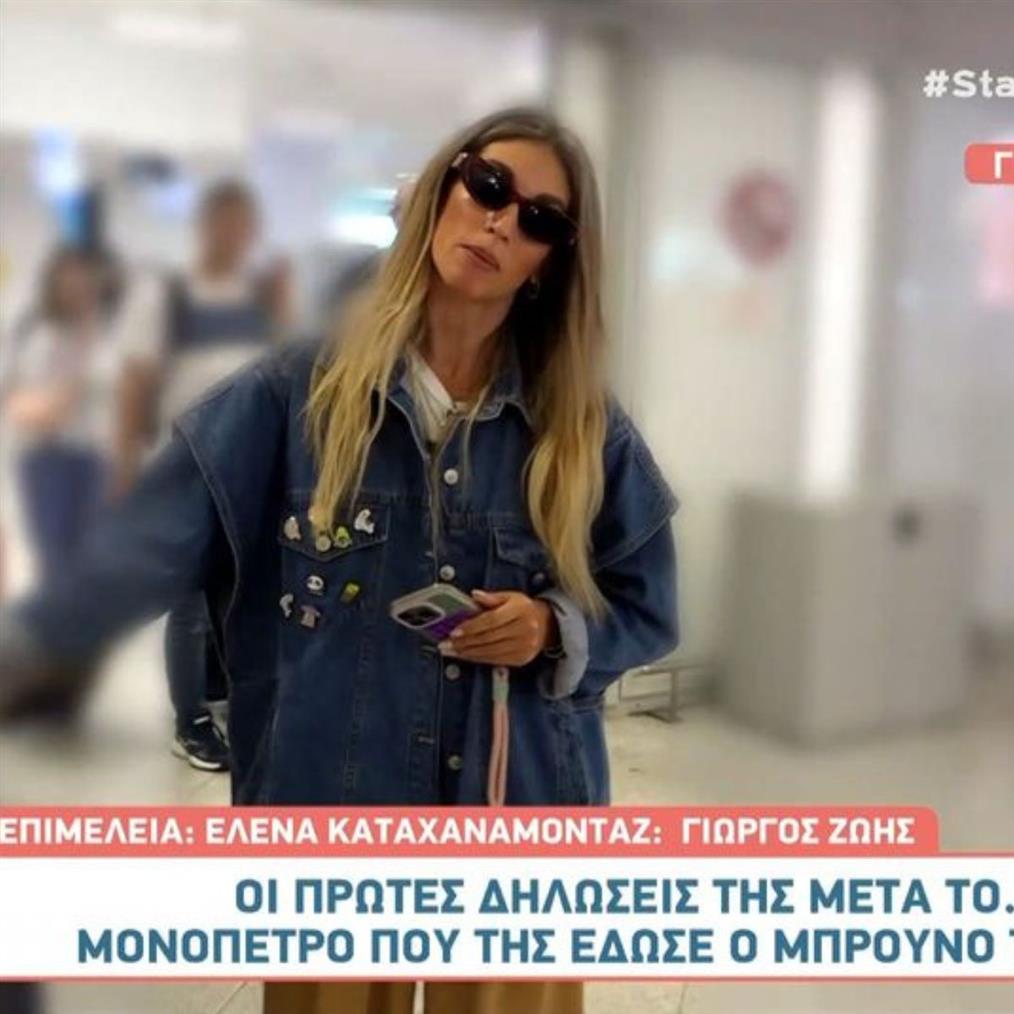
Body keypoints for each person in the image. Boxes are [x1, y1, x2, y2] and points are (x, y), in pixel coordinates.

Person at [1, 108, 679, 1013]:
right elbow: (138, 548)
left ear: (551, 261)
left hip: (521, 815)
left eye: (539, 218)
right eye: (487, 186)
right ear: (442, 190)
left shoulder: (583, 428)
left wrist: (553, 629)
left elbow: (647, 604)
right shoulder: (296, 394)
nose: (499, 222)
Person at [114, 180, 290, 772]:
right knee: (188, 600)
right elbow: (136, 379)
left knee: (243, 590)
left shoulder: (260, 295)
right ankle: (189, 720)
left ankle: (232, 699)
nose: (235, 234)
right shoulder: (167, 292)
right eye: (226, 221)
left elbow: (282, 371)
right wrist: (126, 466)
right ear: (206, 224)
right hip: (186, 462)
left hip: (251, 462)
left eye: (245, 224)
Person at [0, 246, 122, 588]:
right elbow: (16, 401)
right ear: (52, 283)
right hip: (45, 458)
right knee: (55, 559)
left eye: (84, 280)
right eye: (68, 279)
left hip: (93, 457)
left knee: (91, 558)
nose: (76, 287)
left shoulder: (106, 338)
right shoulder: (33, 335)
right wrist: (56, 401)